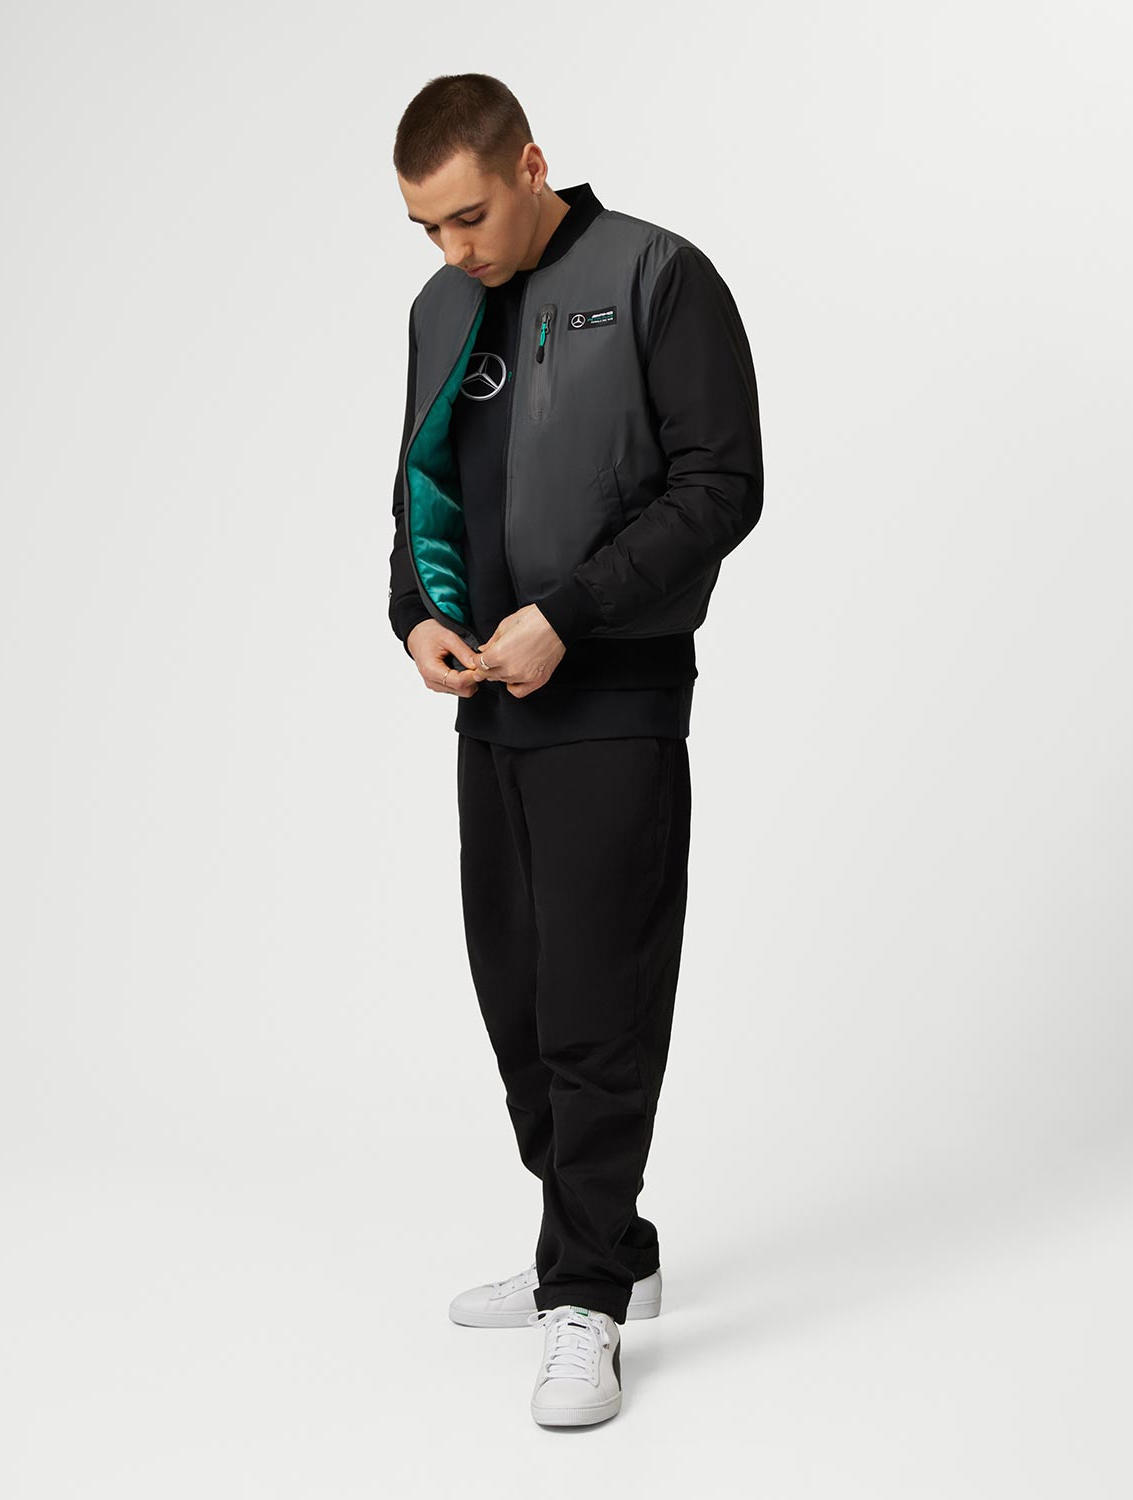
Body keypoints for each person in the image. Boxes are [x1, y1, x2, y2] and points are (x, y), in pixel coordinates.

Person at [387, 73, 764, 1428]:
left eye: (470, 217)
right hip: (491, 702)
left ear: (532, 165)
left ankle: (585, 1294)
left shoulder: (660, 276)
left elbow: (722, 484)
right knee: (520, 998)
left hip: (614, 692)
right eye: (427, 228)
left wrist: (572, 614)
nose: (454, 250)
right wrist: (415, 617)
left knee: (599, 1002)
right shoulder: (441, 310)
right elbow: (418, 486)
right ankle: (599, 1243)